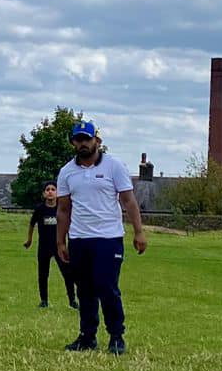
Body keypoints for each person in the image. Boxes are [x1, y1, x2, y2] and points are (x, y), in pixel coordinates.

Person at [56, 121, 146, 354]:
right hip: (79, 239)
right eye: (78, 140)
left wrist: (138, 231)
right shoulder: (67, 172)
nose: (83, 144)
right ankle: (87, 337)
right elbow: (63, 209)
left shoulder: (114, 166)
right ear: (73, 143)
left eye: (87, 139)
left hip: (108, 238)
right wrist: (61, 241)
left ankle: (116, 336)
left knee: (106, 287)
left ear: (97, 141)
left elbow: (128, 201)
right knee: (84, 290)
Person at [24, 181, 77, 313]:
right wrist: (29, 240)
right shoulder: (40, 209)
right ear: (44, 193)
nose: (50, 192)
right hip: (44, 247)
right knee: (43, 274)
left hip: (59, 246)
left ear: (57, 193)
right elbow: (32, 224)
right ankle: (44, 301)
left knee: (67, 273)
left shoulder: (61, 208)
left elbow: (69, 225)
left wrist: (70, 242)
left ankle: (72, 300)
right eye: (47, 189)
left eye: (53, 189)